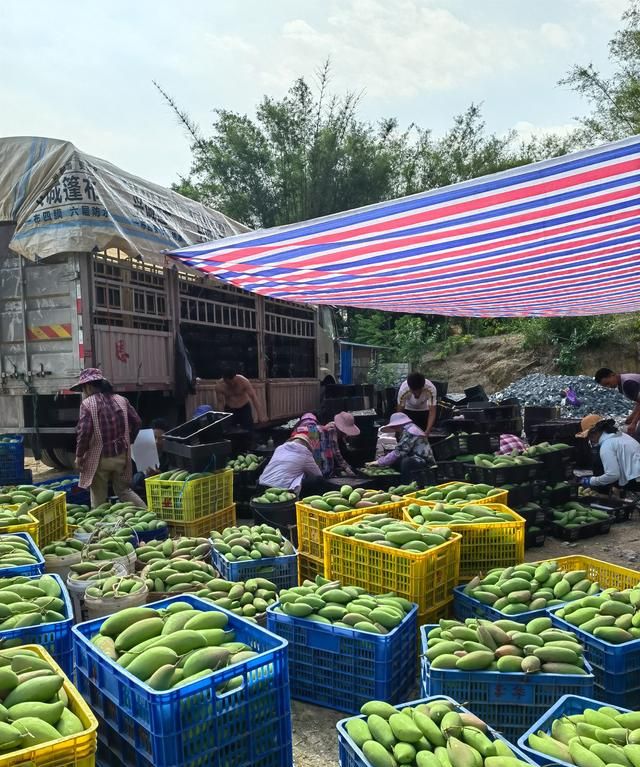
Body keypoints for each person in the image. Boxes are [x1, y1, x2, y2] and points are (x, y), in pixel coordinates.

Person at [73, 368, 146, 508]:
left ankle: (100, 526)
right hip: (121, 456)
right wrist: (129, 440)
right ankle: (147, 512)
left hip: (100, 459)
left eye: (83, 389)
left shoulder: (87, 404)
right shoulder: (121, 400)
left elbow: (84, 433)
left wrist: (79, 456)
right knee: (124, 491)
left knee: (98, 496)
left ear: (88, 386)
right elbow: (137, 421)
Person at [576, 413, 640, 494]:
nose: (590, 439)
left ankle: (604, 496)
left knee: (599, 465)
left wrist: (591, 481)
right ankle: (617, 492)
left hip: (636, 480)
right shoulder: (620, 435)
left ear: (594, 432)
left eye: (589, 436)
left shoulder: (606, 445)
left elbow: (613, 475)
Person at [367, 412, 434, 483]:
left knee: (406, 462)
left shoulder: (411, 431)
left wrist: (380, 461)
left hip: (424, 461)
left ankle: (407, 483)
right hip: (415, 457)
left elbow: (399, 451)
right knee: (396, 461)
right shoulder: (409, 429)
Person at [258, 431, 323, 494]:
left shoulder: (279, 448)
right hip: (281, 489)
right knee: (317, 480)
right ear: (306, 445)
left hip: (262, 483)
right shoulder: (305, 453)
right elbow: (318, 474)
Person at [595, 368, 640, 438]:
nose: (609, 387)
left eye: (608, 383)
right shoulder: (621, 384)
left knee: (637, 435)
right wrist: (632, 416)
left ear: (612, 375)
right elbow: (638, 402)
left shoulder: (627, 384)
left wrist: (634, 422)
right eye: (606, 386)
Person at [131, 418, 170, 500]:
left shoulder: (170, 456)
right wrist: (145, 476)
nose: (156, 441)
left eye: (161, 438)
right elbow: (132, 483)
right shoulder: (139, 452)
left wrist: (160, 475)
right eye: (154, 437)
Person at [320, 411, 360, 477]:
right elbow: (336, 452)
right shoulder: (331, 429)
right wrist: (347, 468)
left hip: (337, 460)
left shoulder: (341, 433)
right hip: (326, 458)